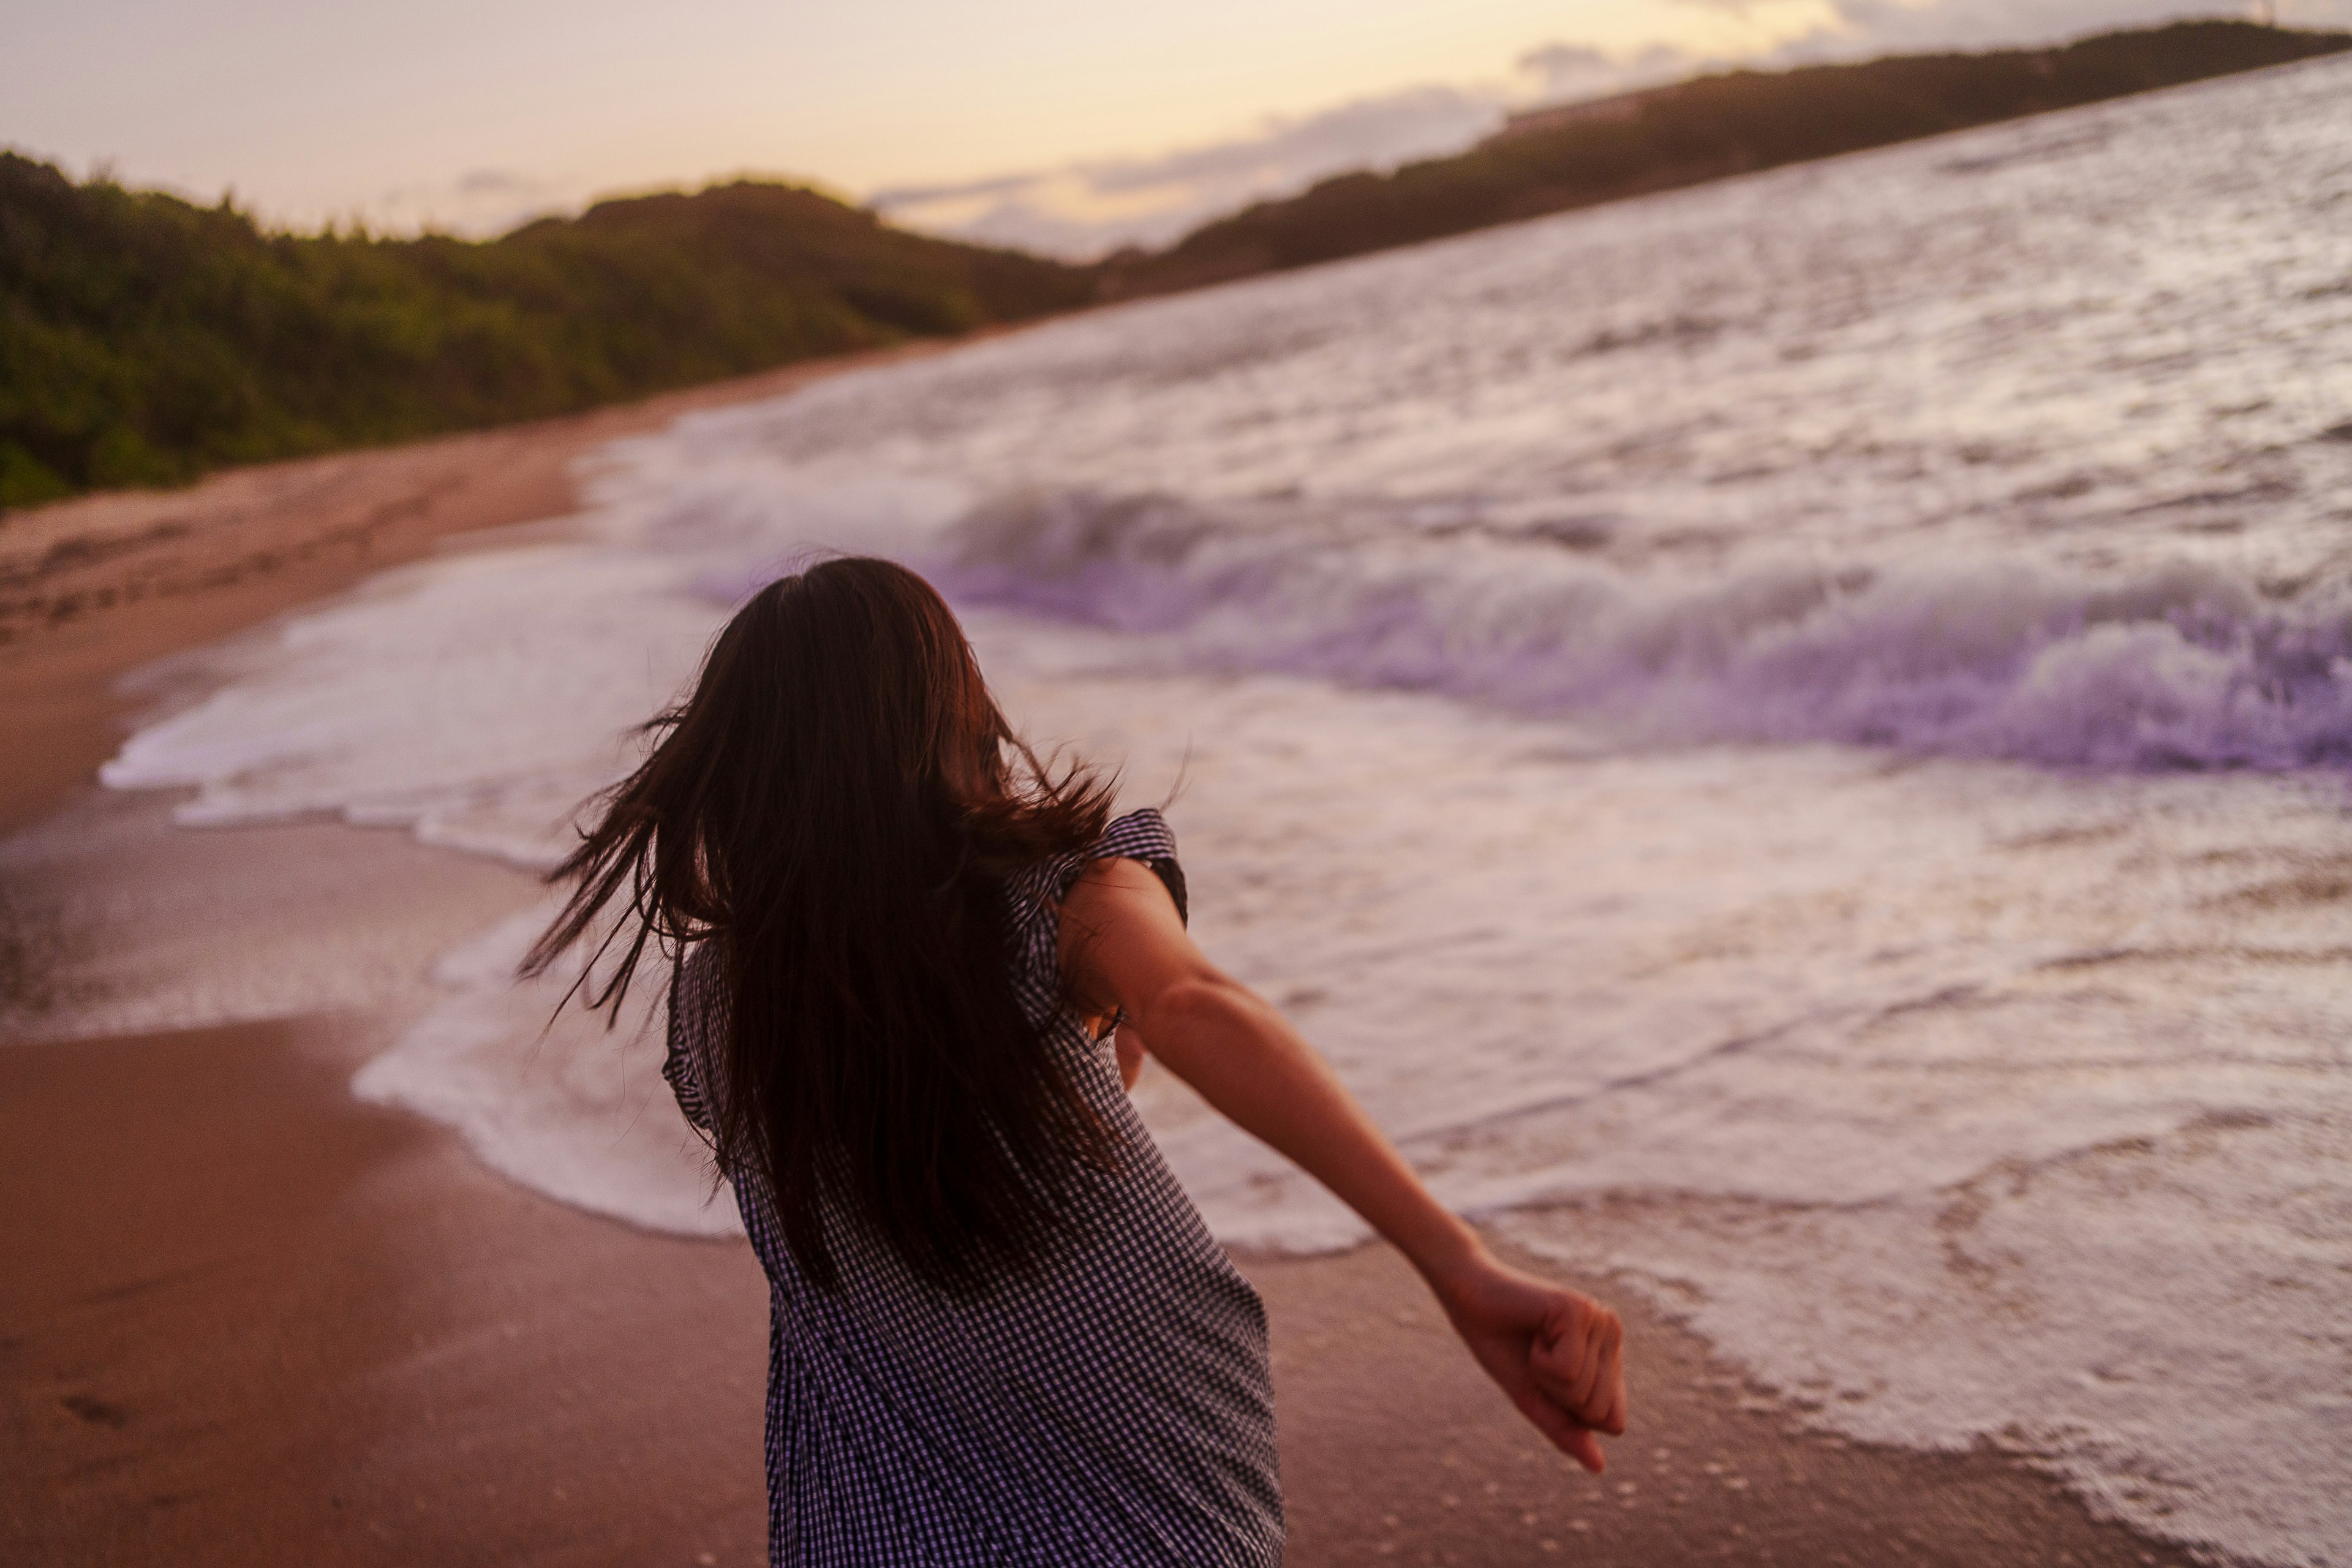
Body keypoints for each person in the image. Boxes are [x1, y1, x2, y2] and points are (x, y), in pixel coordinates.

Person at [527, 556, 1627, 1567]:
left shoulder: (717, 1007)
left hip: (870, 1516)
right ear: (950, 715)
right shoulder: (1060, 888)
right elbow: (1189, 1004)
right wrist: (1457, 1265)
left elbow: (956, 1116)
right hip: (1143, 1495)